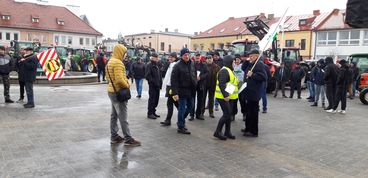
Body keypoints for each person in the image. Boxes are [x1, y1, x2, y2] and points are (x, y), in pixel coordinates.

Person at [106, 44, 140, 146]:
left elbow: (108, 77)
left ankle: (114, 136)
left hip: (111, 90)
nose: (125, 55)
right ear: (121, 52)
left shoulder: (110, 61)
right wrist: (128, 84)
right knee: (123, 116)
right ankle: (128, 139)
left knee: (114, 115)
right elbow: (120, 80)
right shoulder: (118, 63)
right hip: (119, 92)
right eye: (124, 53)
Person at [171, 48, 197, 134]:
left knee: (191, 106)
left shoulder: (192, 63)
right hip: (181, 90)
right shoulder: (177, 66)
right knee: (181, 109)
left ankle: (180, 120)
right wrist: (175, 93)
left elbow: (194, 73)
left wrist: (195, 81)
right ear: (181, 56)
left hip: (191, 89)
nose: (186, 56)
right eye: (184, 55)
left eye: (187, 54)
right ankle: (181, 127)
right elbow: (173, 80)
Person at [242, 50, 267, 137]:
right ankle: (247, 128)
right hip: (249, 91)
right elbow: (243, 68)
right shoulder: (252, 63)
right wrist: (246, 61)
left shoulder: (259, 64)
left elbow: (264, 77)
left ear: (256, 56)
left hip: (254, 92)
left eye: (252, 56)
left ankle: (253, 131)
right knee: (248, 112)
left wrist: (252, 75)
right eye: (250, 56)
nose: (250, 57)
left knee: (253, 113)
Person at [213, 55, 238, 140]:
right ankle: (217, 132)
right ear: (229, 62)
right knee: (227, 114)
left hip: (229, 97)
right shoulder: (224, 71)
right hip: (223, 97)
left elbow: (231, 83)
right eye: (234, 62)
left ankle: (227, 132)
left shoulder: (230, 70)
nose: (235, 63)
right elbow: (221, 83)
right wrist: (226, 95)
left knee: (229, 115)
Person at [160, 52, 179, 126]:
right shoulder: (171, 65)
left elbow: (173, 78)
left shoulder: (174, 65)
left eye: (172, 57)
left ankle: (181, 117)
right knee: (172, 103)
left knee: (174, 103)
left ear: (175, 58)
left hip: (172, 88)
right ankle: (168, 120)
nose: (170, 58)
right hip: (170, 87)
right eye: (169, 57)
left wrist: (173, 89)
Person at [189, 53, 208, 121]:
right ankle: (191, 114)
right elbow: (189, 72)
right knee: (192, 100)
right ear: (194, 57)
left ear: (200, 57)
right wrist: (193, 77)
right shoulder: (191, 64)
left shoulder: (204, 64)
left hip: (201, 84)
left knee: (200, 100)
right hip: (193, 84)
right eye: (196, 57)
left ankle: (198, 114)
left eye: (198, 57)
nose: (197, 58)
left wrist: (200, 77)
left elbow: (206, 73)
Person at [145, 53, 162, 119]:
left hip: (157, 85)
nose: (157, 58)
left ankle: (153, 112)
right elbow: (147, 76)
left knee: (156, 99)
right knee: (152, 99)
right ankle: (150, 113)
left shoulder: (156, 65)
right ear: (152, 58)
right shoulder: (149, 65)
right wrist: (153, 82)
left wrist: (160, 83)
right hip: (153, 86)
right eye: (156, 57)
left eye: (157, 57)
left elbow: (159, 75)